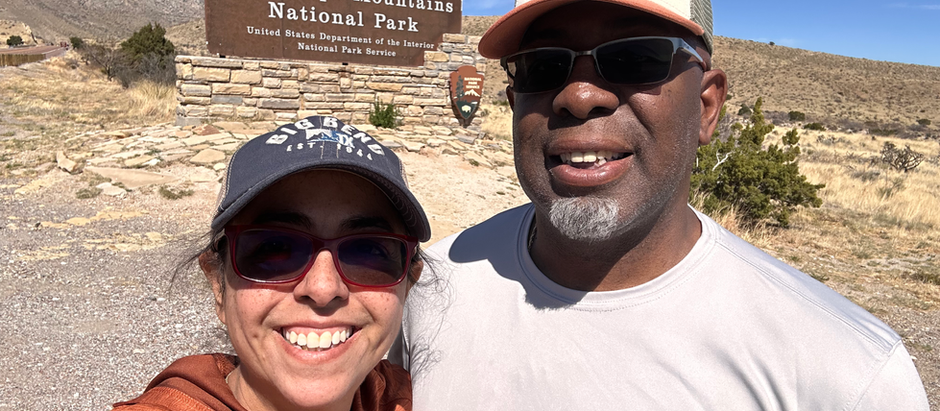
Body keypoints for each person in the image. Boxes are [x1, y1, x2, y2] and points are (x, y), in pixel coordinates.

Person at [393, 0, 930, 409]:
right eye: (541, 65)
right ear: (515, 101)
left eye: (635, 57)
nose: (579, 96)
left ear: (706, 107)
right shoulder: (422, 293)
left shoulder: (844, 373)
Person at [113, 115, 431, 411]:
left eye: (367, 251)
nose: (323, 288)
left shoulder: (425, 396)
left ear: (408, 283)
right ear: (218, 285)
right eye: (276, 248)